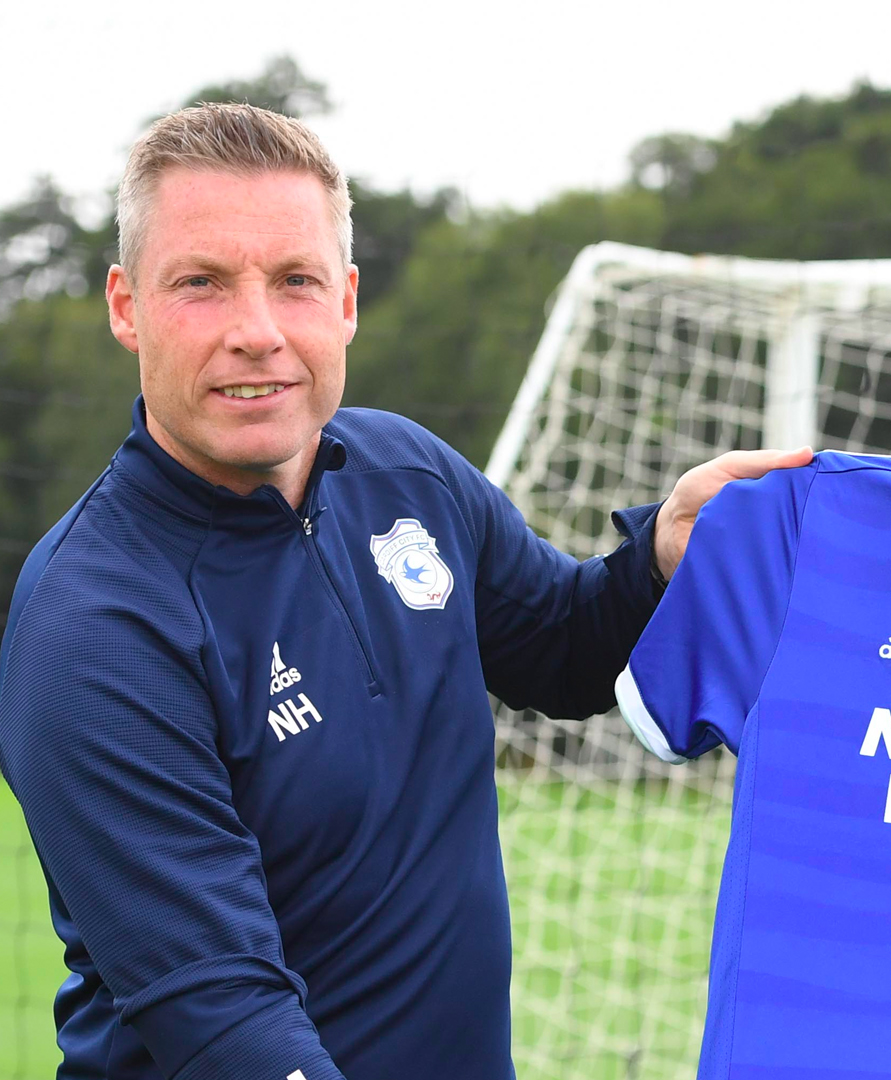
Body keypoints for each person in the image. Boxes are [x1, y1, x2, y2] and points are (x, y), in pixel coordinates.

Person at [0, 103, 807, 1080]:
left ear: (344, 301)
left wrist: (658, 564)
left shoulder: (408, 474)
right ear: (127, 306)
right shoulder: (93, 620)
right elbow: (220, 1016)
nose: (256, 333)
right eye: (202, 284)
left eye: (294, 282)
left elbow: (565, 647)